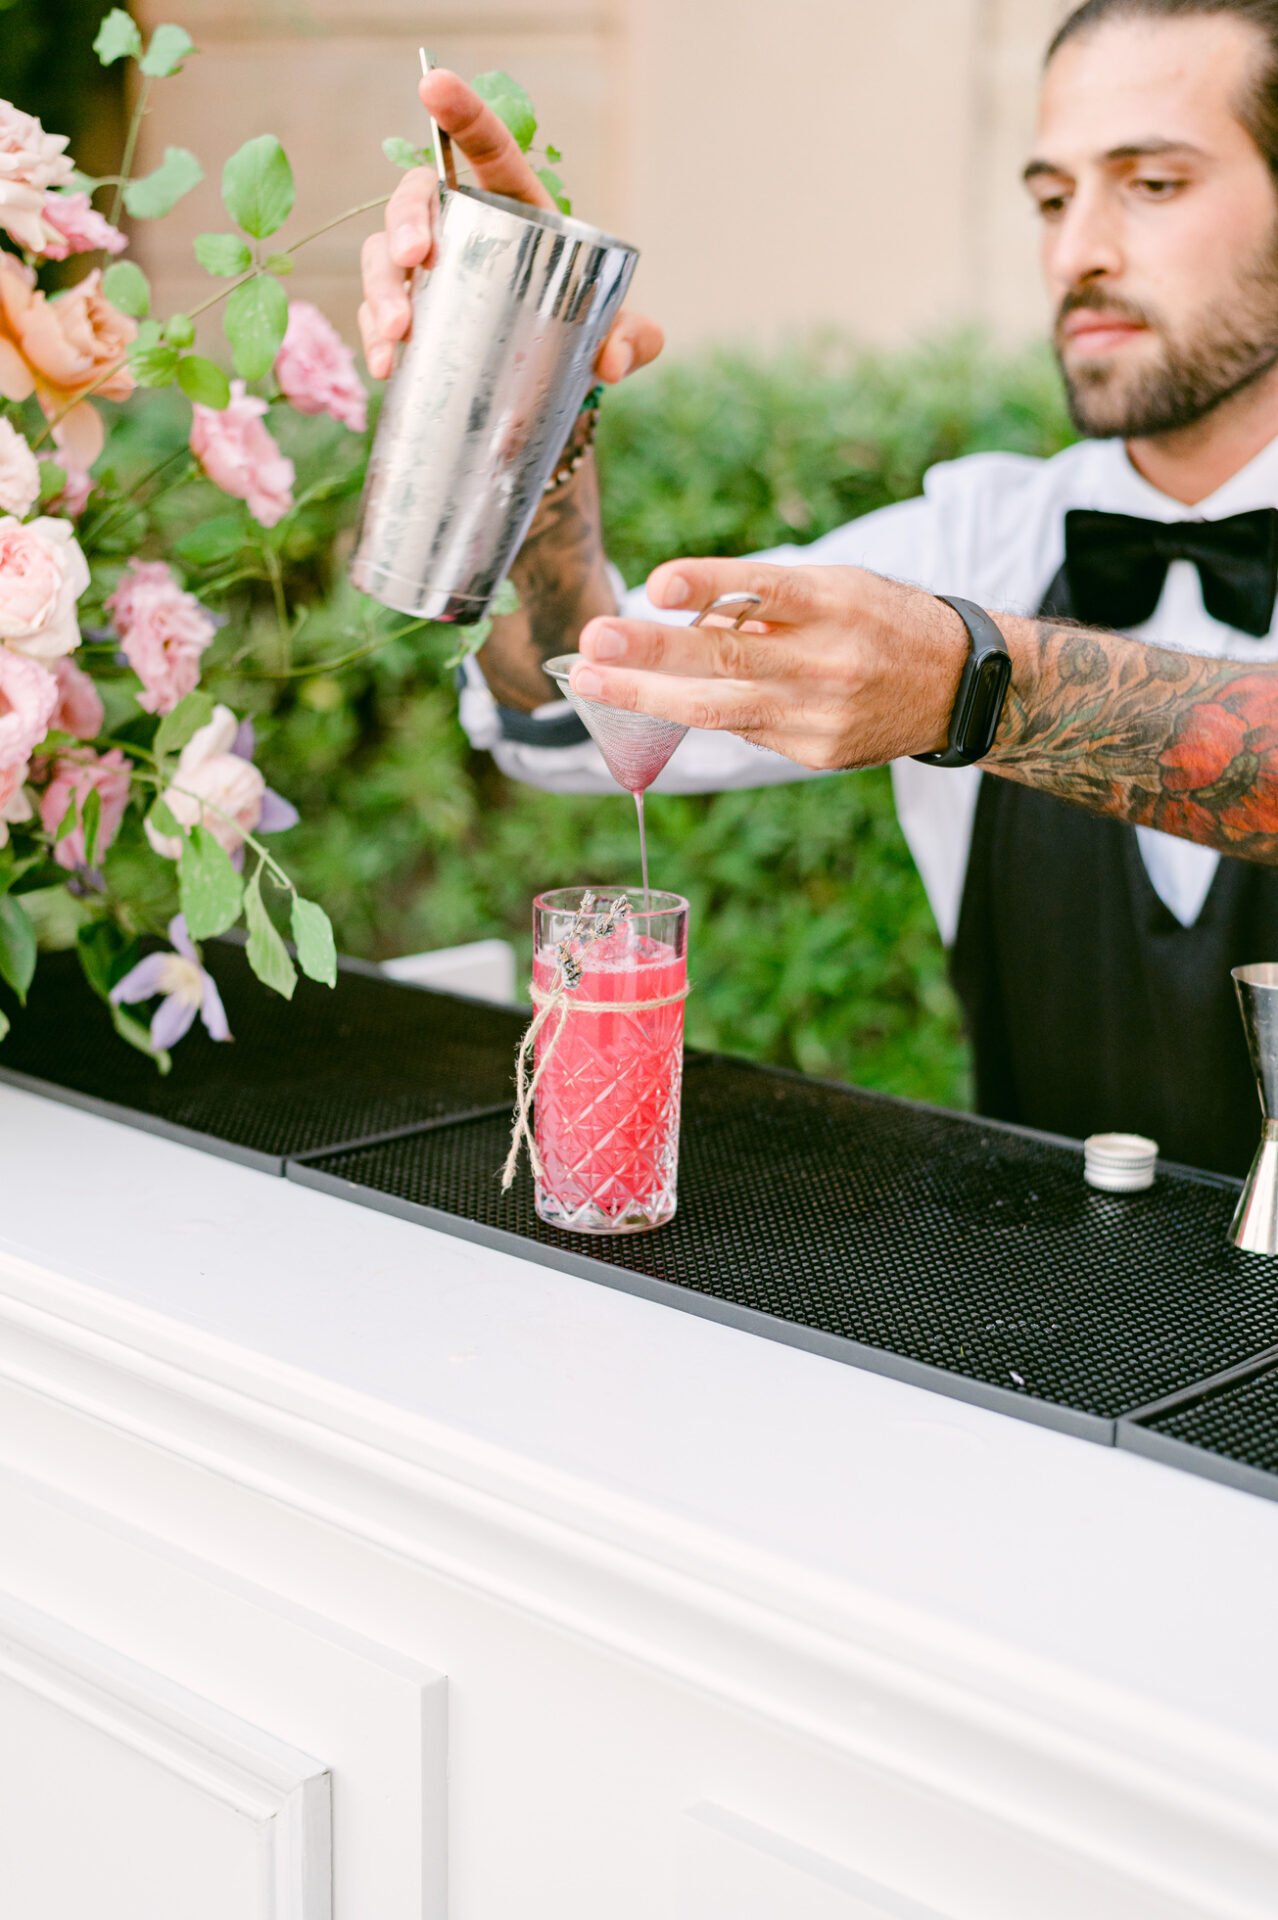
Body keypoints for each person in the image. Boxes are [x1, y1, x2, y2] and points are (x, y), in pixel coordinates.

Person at [359, 0, 1278, 1177]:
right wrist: (526, 376)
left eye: (1152, 185)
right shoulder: (974, 538)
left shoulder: (951, 605)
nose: (1076, 252)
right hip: (1034, 1323)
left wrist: (968, 685)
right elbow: (591, 710)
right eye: (1052, 199)